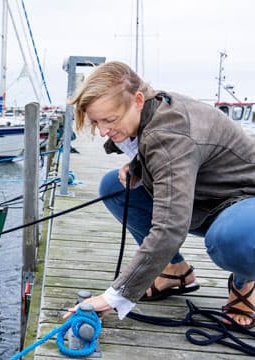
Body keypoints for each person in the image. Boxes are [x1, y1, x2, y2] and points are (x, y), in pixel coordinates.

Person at [63, 61, 255, 328]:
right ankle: (173, 271)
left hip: (245, 202)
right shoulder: (154, 108)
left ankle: (245, 282)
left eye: (110, 119)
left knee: (230, 240)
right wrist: (139, 166)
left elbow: (169, 227)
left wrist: (113, 297)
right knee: (113, 188)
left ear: (138, 100)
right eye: (97, 122)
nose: (104, 131)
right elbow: (173, 159)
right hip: (202, 197)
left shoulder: (169, 132)